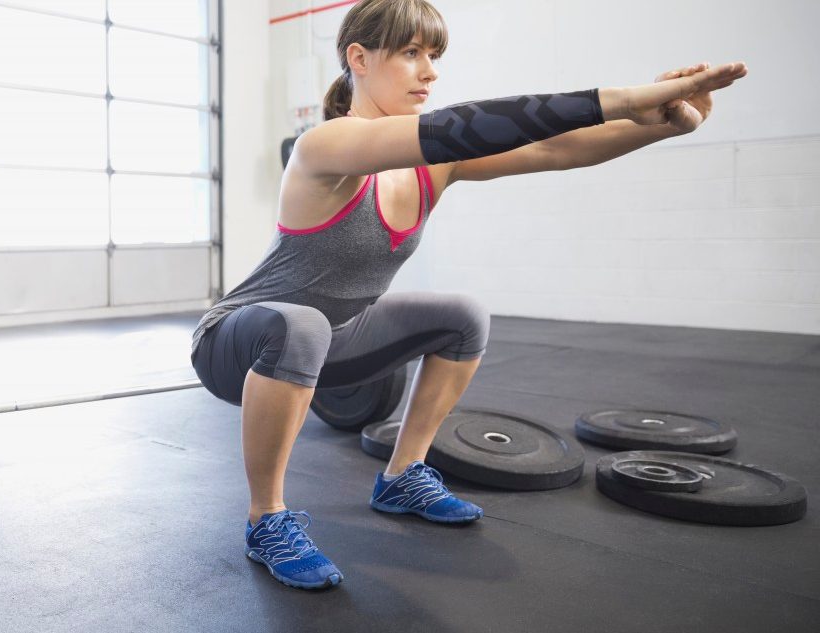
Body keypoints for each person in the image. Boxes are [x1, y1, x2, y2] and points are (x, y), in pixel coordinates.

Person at [189, 0, 747, 590]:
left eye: (434, 56)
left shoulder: (435, 166)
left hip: (335, 338)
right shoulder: (325, 147)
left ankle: (402, 476)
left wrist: (660, 122)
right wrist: (632, 97)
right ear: (358, 58)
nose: (429, 71)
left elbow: (556, 150)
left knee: (463, 317)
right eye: (411, 53)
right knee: (301, 326)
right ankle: (266, 519)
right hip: (235, 343)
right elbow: (471, 123)